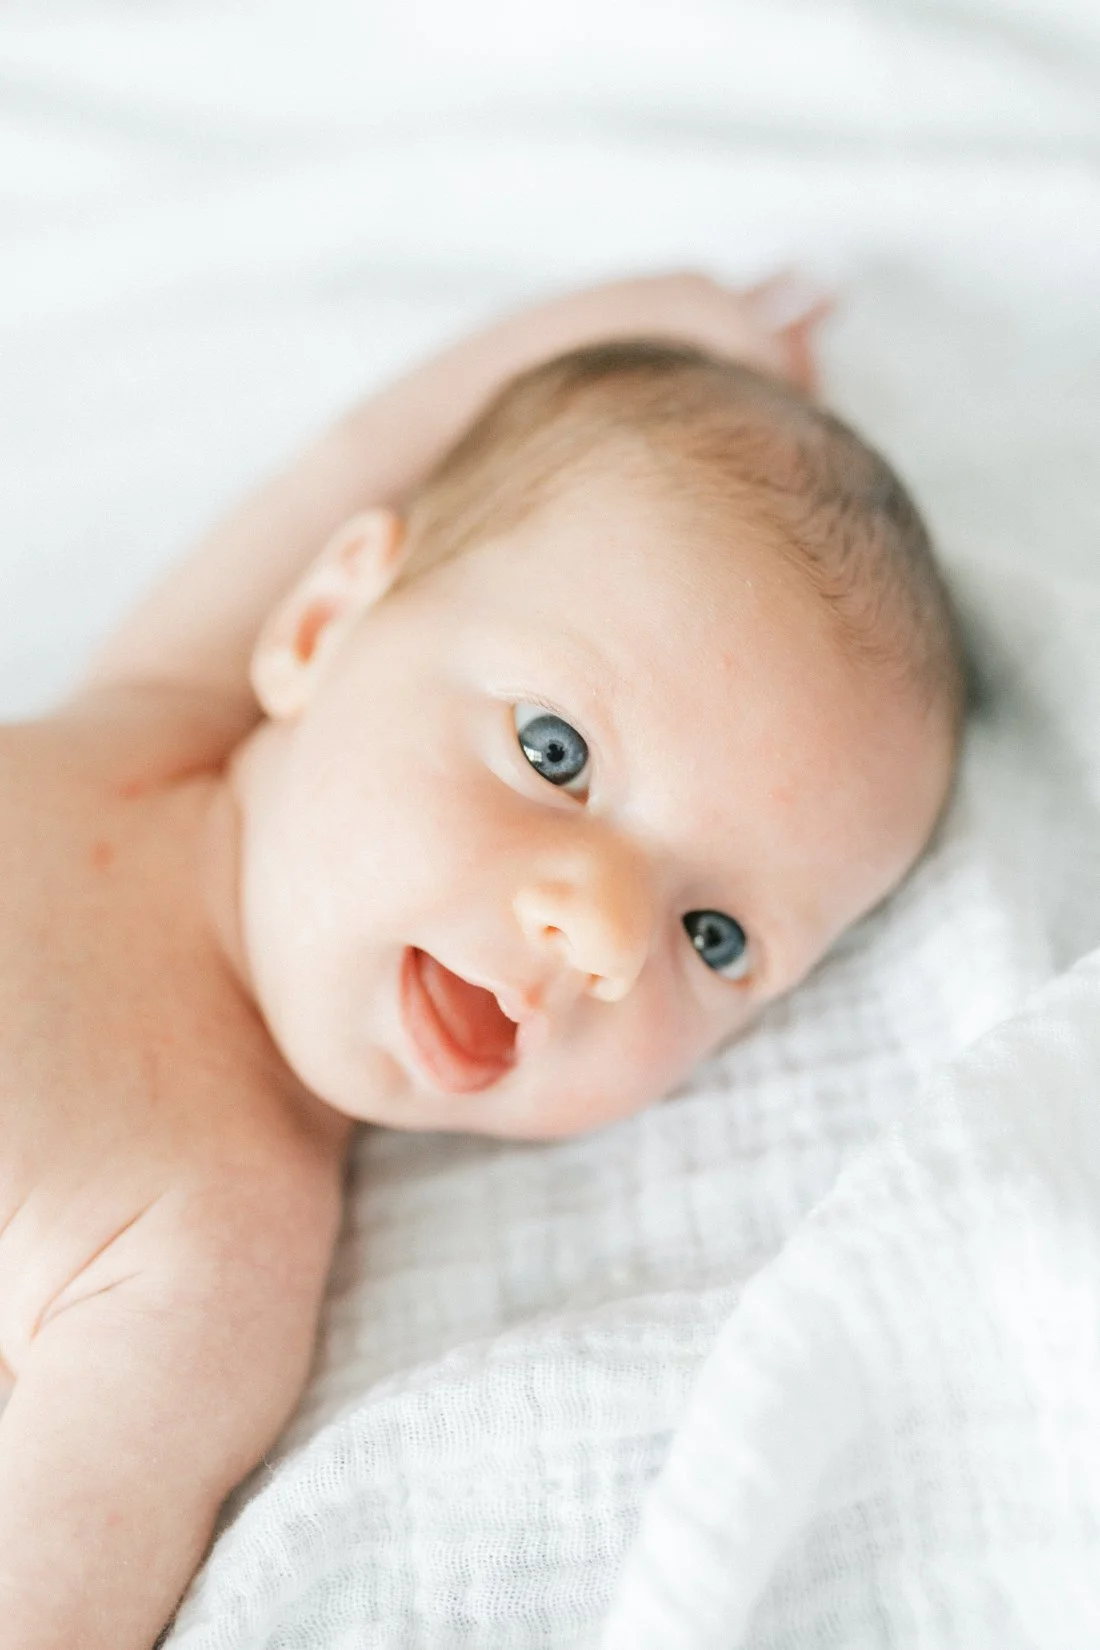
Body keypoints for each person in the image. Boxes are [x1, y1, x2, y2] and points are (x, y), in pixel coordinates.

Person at [0, 273, 963, 1648]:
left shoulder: (216, 1253)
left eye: (715, 937)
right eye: (553, 753)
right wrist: (660, 319)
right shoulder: (153, 716)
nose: (609, 935)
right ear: (322, 627)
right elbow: (350, 461)